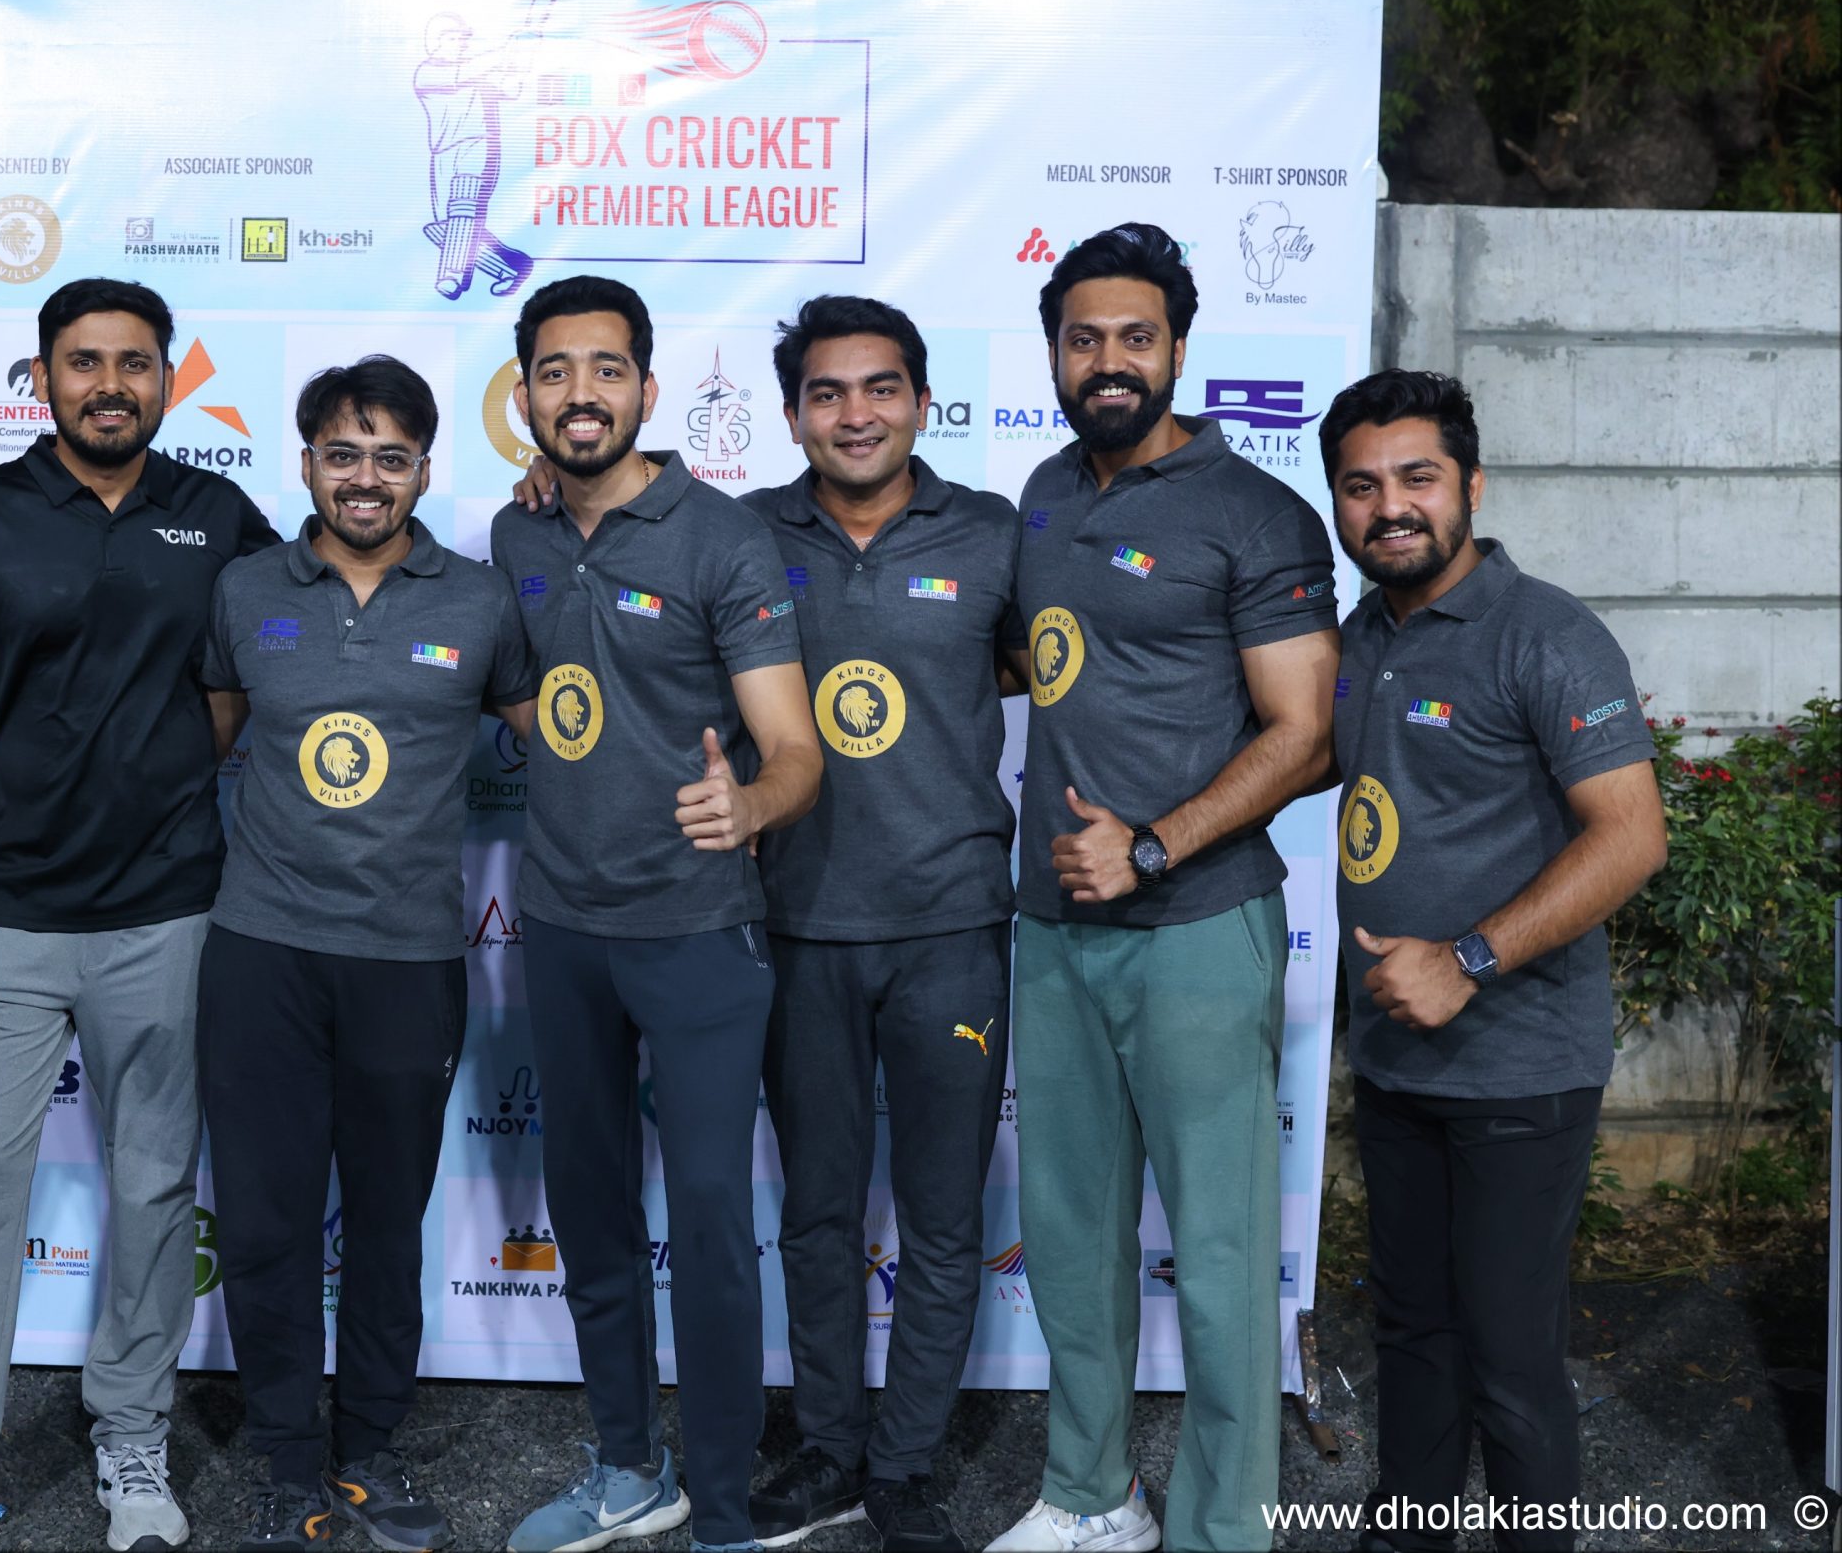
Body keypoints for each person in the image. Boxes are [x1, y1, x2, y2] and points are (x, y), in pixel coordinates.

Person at [0, 278, 278, 1553]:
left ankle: (132, 1436)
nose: (111, 384)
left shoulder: (219, 514)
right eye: (85, 361)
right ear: (43, 376)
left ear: (167, 378)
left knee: (155, 1187)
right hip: (4, 914)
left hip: (167, 910)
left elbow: (273, 649)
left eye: (135, 362)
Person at [986, 224, 1339, 1553]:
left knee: (1225, 1258)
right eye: (1084, 339)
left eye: (1136, 337)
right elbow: (1028, 656)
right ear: (1054, 354)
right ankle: (1090, 1496)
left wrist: (1151, 844)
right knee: (1071, 1239)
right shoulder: (1040, 492)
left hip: (1194, 924)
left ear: (1180, 349)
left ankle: (1225, 1528)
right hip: (1052, 926)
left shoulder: (1256, 513)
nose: (1110, 361)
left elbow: (1308, 734)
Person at [489, 275, 824, 1553]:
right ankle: (631, 1468)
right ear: (526, 394)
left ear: (647, 386)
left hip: (696, 932)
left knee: (713, 1222)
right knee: (589, 1212)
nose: (581, 393)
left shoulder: (720, 538)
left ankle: (724, 1510)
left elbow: (796, 749)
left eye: (606, 368)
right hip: (562, 928)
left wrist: (751, 805)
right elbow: (525, 696)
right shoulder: (517, 533)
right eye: (555, 370)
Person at [1320, 370, 1666, 1553]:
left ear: (1471, 484)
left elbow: (1631, 835)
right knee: (1411, 1332)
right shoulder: (1361, 637)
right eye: (1360, 486)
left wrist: (1467, 958)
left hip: (1519, 1067)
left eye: (1416, 478)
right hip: (1396, 1060)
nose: (1390, 506)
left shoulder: (1545, 633)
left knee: (1509, 1358)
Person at [196, 355, 536, 1551]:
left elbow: (565, 743)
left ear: (424, 472)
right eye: (343, 454)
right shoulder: (244, 589)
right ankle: (288, 1457)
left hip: (407, 958)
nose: (365, 478)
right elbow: (199, 746)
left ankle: (371, 1450)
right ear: (305, 464)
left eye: (391, 457)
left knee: (388, 1222)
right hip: (262, 951)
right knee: (266, 1221)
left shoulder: (480, 600)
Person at [736, 295, 1023, 1553]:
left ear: (920, 400)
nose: (855, 414)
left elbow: (1042, 660)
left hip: (952, 924)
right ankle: (827, 1448)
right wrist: (541, 482)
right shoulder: (742, 533)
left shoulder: (995, 532)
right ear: (793, 412)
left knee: (944, 1214)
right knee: (817, 1210)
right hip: (797, 920)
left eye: (880, 388)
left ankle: (903, 1467)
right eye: (827, 393)